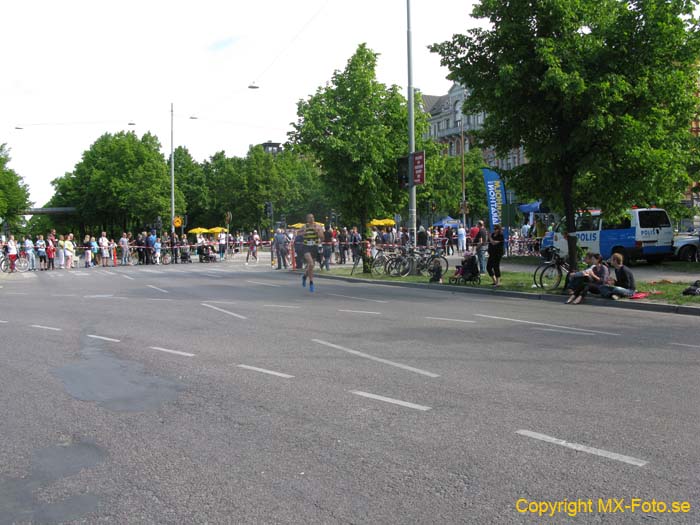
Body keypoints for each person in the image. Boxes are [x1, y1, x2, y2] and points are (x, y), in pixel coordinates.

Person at [301, 214, 323, 292]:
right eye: (310, 218)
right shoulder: (304, 227)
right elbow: (298, 234)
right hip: (306, 246)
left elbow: (322, 237)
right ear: (307, 219)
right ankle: (311, 282)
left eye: (313, 217)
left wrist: (317, 232)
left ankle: (304, 276)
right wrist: (302, 234)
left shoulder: (318, 226)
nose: (312, 219)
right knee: (311, 264)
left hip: (314, 247)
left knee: (311, 266)